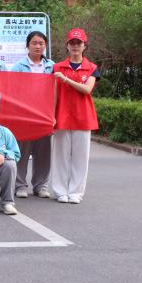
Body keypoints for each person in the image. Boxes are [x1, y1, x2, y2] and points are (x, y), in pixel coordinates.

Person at [51, 28, 99, 204]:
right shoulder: (57, 67)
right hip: (61, 115)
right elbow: (53, 94)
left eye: (79, 43)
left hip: (83, 116)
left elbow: (87, 89)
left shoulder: (92, 68)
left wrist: (66, 79)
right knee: (60, 156)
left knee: (80, 157)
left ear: (85, 46)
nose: (75, 46)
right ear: (67, 45)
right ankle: (60, 191)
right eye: (72, 43)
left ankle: (76, 192)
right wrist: (51, 115)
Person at [11, 31, 55, 199]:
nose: (38, 46)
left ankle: (41, 185)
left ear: (45, 46)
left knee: (43, 152)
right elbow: (12, 92)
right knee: (22, 151)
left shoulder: (52, 66)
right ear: (27, 46)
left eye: (41, 43)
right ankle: (20, 185)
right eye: (34, 43)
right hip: (25, 116)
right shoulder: (18, 67)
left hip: (44, 115)